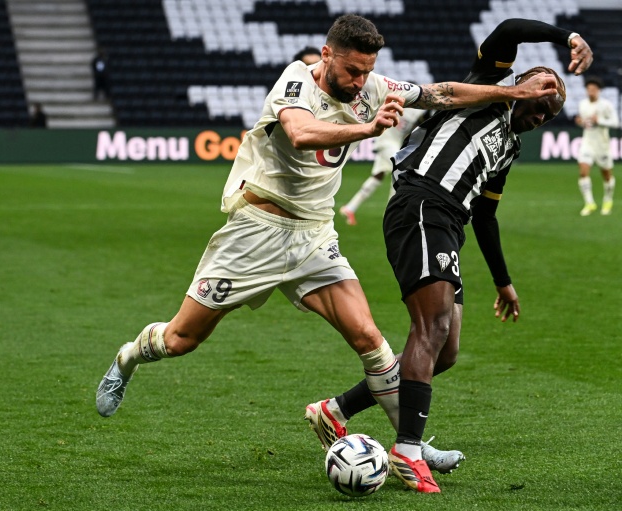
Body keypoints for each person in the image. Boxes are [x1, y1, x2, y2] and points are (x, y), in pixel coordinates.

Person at [95, 13, 562, 472]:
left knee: (370, 339)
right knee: (182, 339)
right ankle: (128, 357)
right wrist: (369, 128)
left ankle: (411, 447)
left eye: (368, 71)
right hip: (255, 230)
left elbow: (442, 93)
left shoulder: (375, 87)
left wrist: (512, 93)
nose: (361, 81)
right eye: (352, 70)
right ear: (326, 55)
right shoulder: (295, 82)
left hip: (314, 236)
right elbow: (300, 134)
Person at [305, 19, 593, 493]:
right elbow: (507, 31)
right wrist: (569, 39)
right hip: (421, 203)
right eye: (540, 102)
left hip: (451, 223)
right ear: (520, 85)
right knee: (432, 328)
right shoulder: (485, 87)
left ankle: (334, 410)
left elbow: (486, 215)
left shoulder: (509, 147)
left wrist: (503, 281)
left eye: (550, 114)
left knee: (447, 349)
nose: (541, 115)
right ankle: (408, 452)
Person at [339, 107, 428, 225]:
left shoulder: (418, 111)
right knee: (400, 171)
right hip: (386, 142)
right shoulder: (403, 102)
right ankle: (392, 211)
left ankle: (350, 208)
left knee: (378, 176)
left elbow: (418, 125)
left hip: (394, 143)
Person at [575, 76, 618, 216]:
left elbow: (615, 123)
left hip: (602, 145)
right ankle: (589, 203)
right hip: (587, 143)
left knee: (606, 175)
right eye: (588, 89)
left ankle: (607, 199)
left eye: (593, 89)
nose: (590, 92)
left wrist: (599, 120)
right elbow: (585, 123)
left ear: (598, 90)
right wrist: (580, 122)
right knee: (583, 172)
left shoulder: (605, 105)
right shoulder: (582, 104)